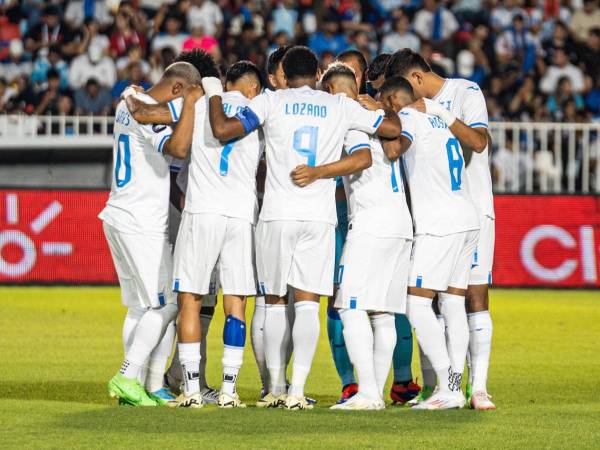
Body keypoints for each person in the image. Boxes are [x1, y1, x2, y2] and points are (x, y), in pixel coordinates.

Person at [202, 45, 402, 410]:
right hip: (319, 217)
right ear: (317, 75)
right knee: (308, 305)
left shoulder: (271, 103)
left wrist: (214, 92)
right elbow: (391, 128)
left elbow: (223, 129)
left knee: (275, 303)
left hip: (276, 214)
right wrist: (374, 106)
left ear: (284, 74)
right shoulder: (339, 105)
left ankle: (275, 388)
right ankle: (297, 391)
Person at [294, 64, 414, 410]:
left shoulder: (349, 118)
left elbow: (361, 159)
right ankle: (373, 393)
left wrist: (318, 173)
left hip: (372, 222)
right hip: (399, 222)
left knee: (348, 305)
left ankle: (368, 392)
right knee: (383, 313)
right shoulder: (375, 115)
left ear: (331, 91)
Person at [386, 49, 495, 410]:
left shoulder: (418, 114)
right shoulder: (440, 121)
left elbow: (392, 150)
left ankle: (451, 385)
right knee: (451, 302)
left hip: (440, 223)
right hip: (466, 217)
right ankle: (452, 386)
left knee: (416, 305)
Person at [158, 61, 264, 409]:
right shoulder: (259, 111)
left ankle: (190, 390)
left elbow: (174, 138)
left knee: (190, 297)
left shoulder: (200, 103)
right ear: (253, 88)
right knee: (236, 302)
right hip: (239, 216)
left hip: (201, 211)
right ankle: (230, 390)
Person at [125, 49, 224, 406]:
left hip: (168, 216)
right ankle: (158, 379)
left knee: (168, 305)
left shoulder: (146, 105)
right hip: (186, 219)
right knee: (181, 303)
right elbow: (179, 169)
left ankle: (162, 378)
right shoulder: (196, 114)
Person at [100, 61, 202, 407]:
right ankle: (128, 375)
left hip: (118, 213)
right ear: (177, 89)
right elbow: (178, 149)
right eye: (188, 95)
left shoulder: (129, 100)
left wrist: (178, 103)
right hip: (141, 223)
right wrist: (189, 104)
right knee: (168, 303)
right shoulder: (151, 117)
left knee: (138, 308)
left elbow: (136, 98)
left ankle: (143, 386)